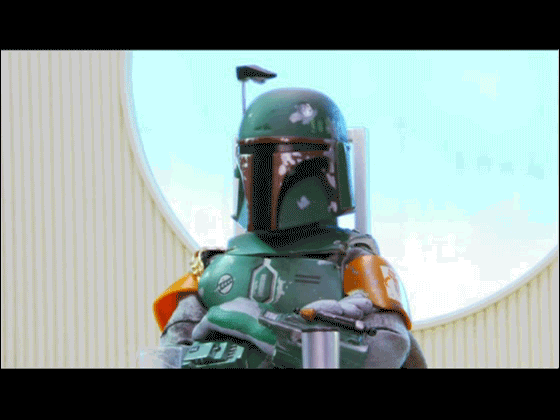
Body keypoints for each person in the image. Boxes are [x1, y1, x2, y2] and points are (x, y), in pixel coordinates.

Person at [152, 88, 427, 368]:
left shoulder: (355, 262)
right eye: (259, 157)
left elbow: (385, 352)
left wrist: (260, 325)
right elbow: (170, 355)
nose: (270, 175)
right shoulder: (216, 268)